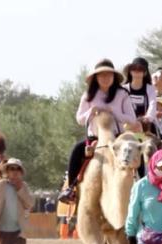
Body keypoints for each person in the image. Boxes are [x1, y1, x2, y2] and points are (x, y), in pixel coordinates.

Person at [58, 59, 136, 203]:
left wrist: (114, 112)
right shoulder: (88, 95)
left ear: (114, 77)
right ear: (96, 77)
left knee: (136, 150)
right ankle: (71, 188)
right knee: (77, 150)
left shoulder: (122, 94)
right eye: (101, 75)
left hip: (117, 138)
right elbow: (80, 119)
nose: (105, 78)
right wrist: (90, 112)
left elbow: (132, 119)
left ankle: (142, 185)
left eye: (109, 75)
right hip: (95, 138)